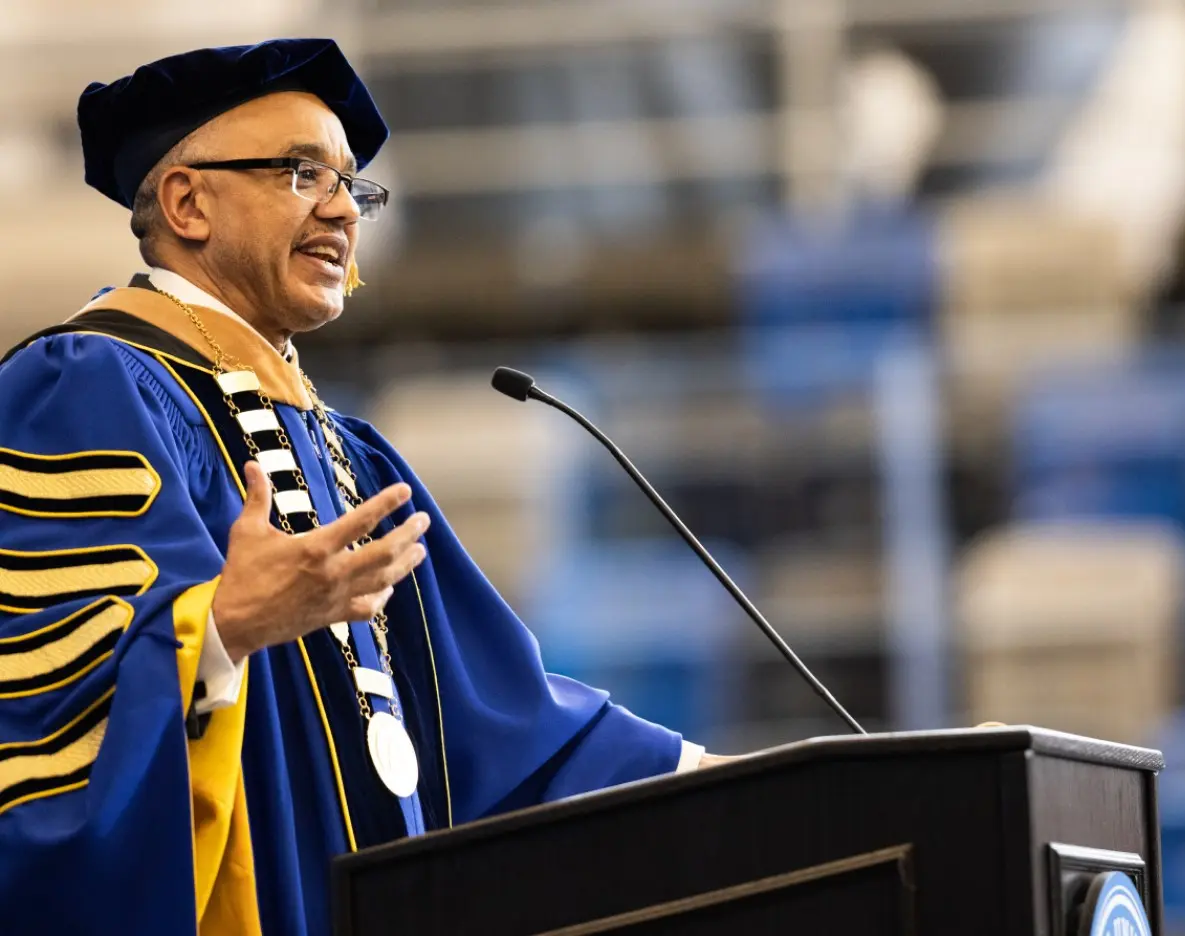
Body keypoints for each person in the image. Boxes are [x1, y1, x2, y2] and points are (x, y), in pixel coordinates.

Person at [0, 38, 725, 936]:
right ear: (188, 202)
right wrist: (220, 630)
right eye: (303, 173)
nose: (345, 210)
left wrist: (738, 785)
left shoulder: (351, 455)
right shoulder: (87, 387)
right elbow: (48, 716)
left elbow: (497, 723)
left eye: (354, 186)